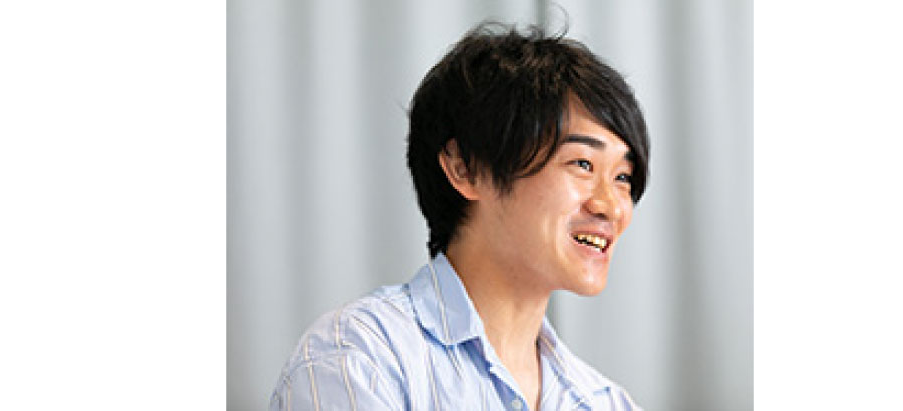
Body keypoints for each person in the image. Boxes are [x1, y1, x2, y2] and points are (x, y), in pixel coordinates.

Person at [270, 21, 650, 410]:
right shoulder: (360, 358)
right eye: (583, 164)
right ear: (466, 168)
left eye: (622, 177)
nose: (611, 206)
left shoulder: (604, 402)